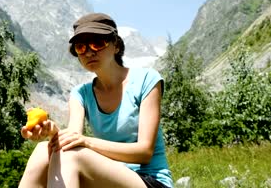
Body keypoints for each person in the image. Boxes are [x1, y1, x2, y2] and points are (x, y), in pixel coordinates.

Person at [19, 13, 174, 188]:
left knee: (73, 154)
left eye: (97, 43)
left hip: (148, 181)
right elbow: (72, 137)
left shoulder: (146, 79)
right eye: (81, 47)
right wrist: (52, 133)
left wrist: (86, 141)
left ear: (116, 46)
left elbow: (144, 152)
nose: (89, 52)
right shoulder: (81, 93)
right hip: (106, 179)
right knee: (42, 150)